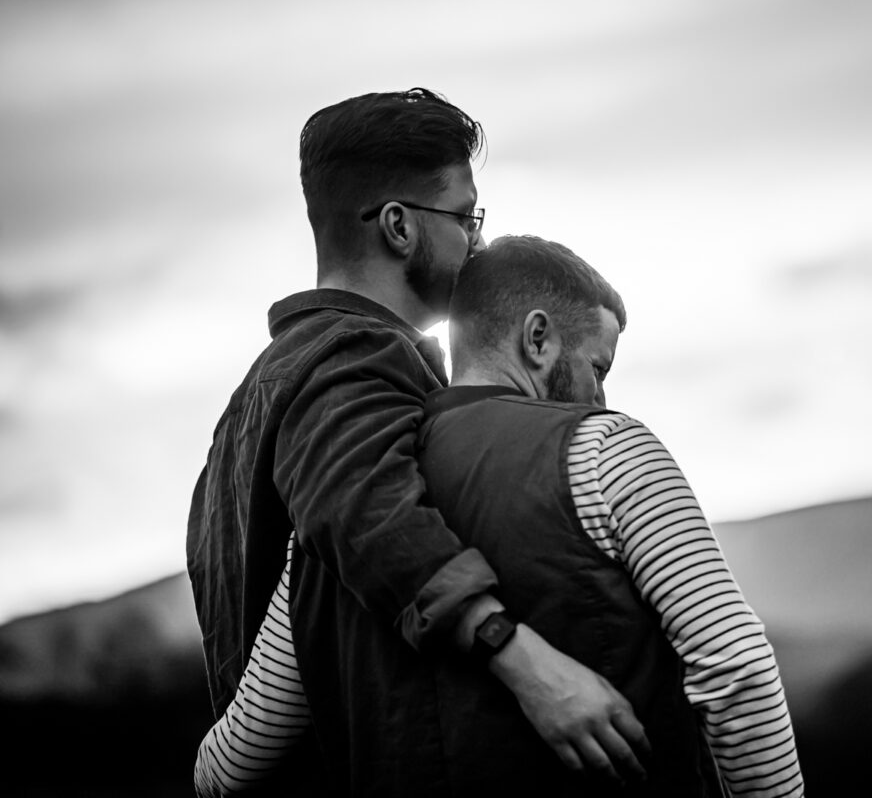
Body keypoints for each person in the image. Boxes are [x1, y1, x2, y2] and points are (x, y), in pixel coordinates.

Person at [195, 235, 805, 797]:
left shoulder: (334, 522)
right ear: (537, 338)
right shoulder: (609, 450)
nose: (601, 399)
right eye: (598, 368)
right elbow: (736, 669)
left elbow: (236, 760)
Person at [186, 91, 649, 796]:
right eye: (466, 217)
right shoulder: (354, 361)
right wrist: (523, 658)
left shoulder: (263, 386)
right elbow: (366, 514)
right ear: (399, 227)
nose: (480, 244)